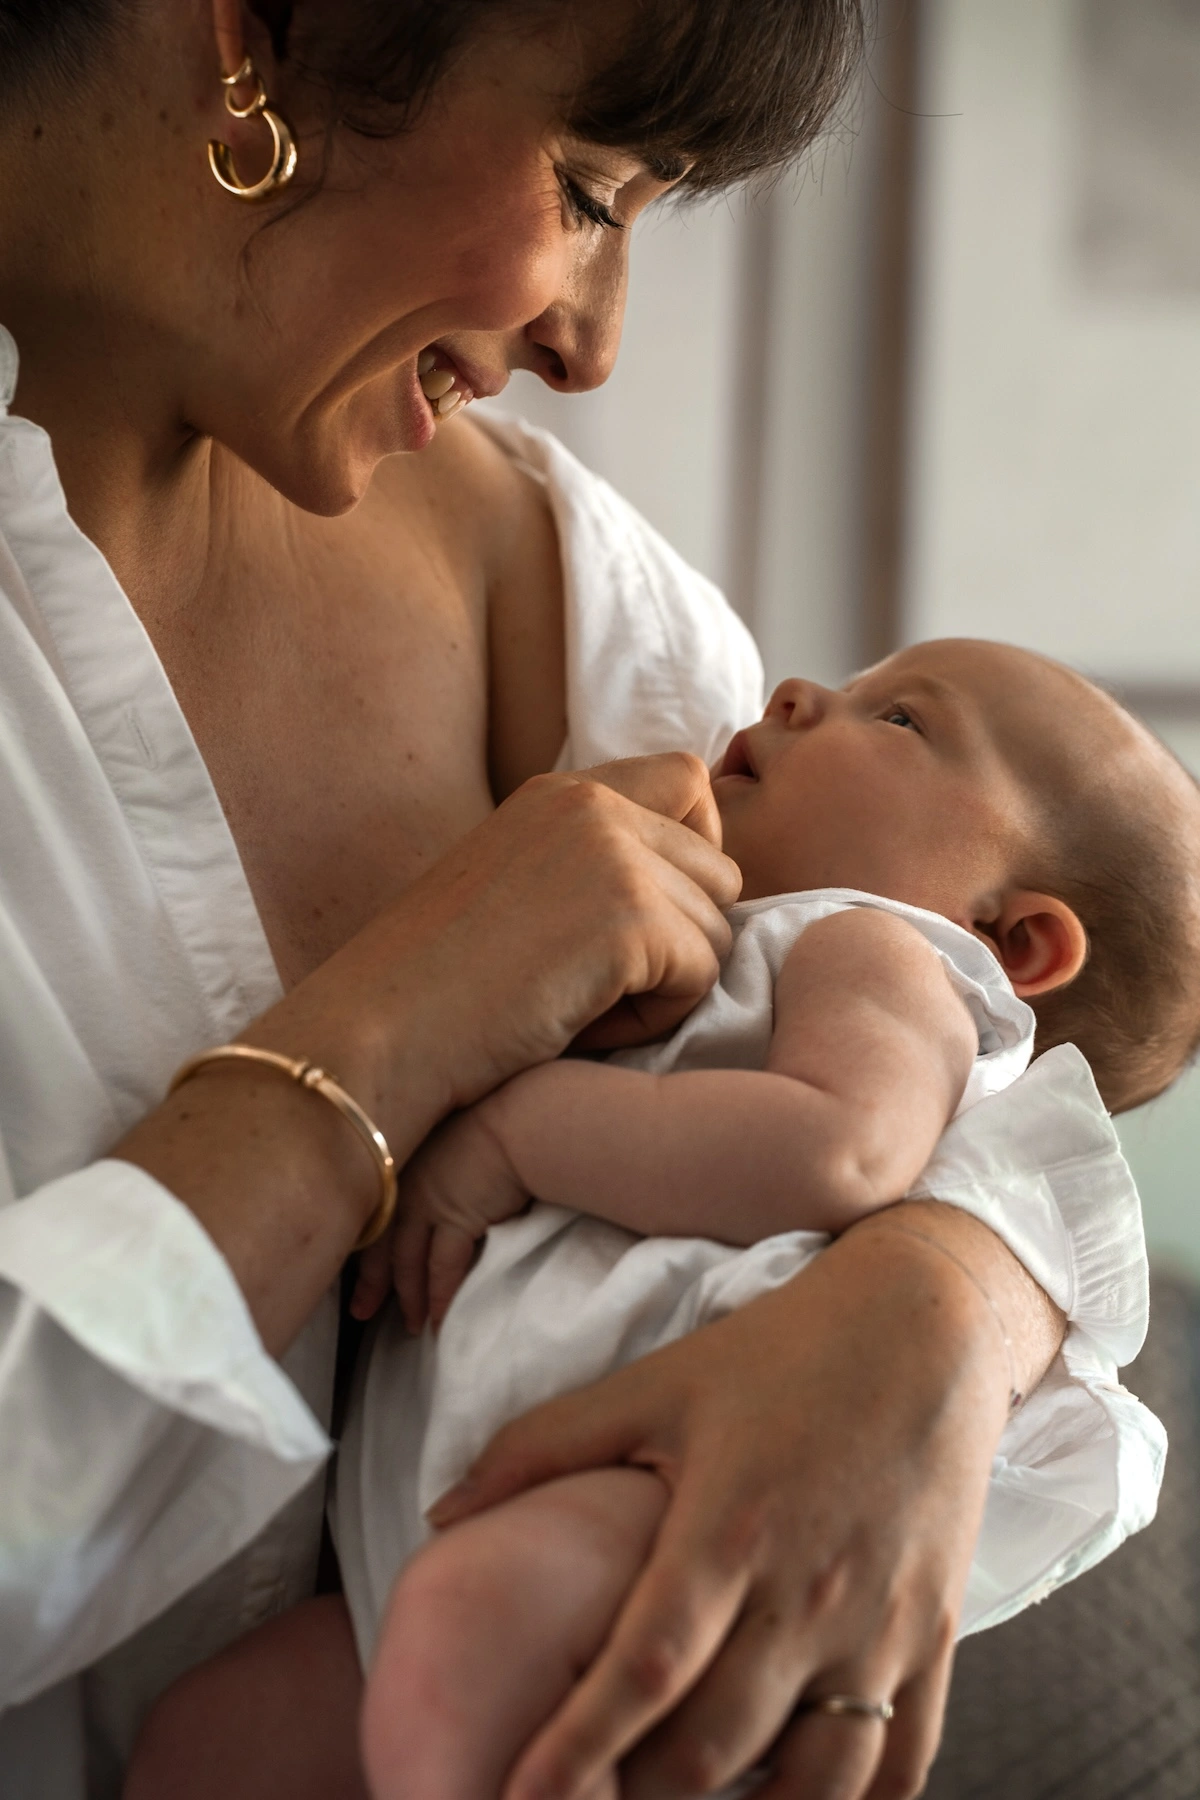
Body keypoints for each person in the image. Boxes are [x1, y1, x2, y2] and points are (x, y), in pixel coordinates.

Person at [0, 3, 1097, 1797]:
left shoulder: (576, 600)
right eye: (589, 188)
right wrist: (390, 1025)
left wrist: (946, 1308)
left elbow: (952, 1015)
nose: (593, 343)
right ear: (243, 41)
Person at [123, 638, 1188, 1798]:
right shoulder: (743, 940)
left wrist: (515, 1131)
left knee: (446, 1667)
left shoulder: (880, 949)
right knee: (211, 1740)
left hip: (657, 1487)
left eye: (901, 722)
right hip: (455, 1528)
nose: (798, 694)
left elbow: (842, 1148)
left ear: (1010, 937)